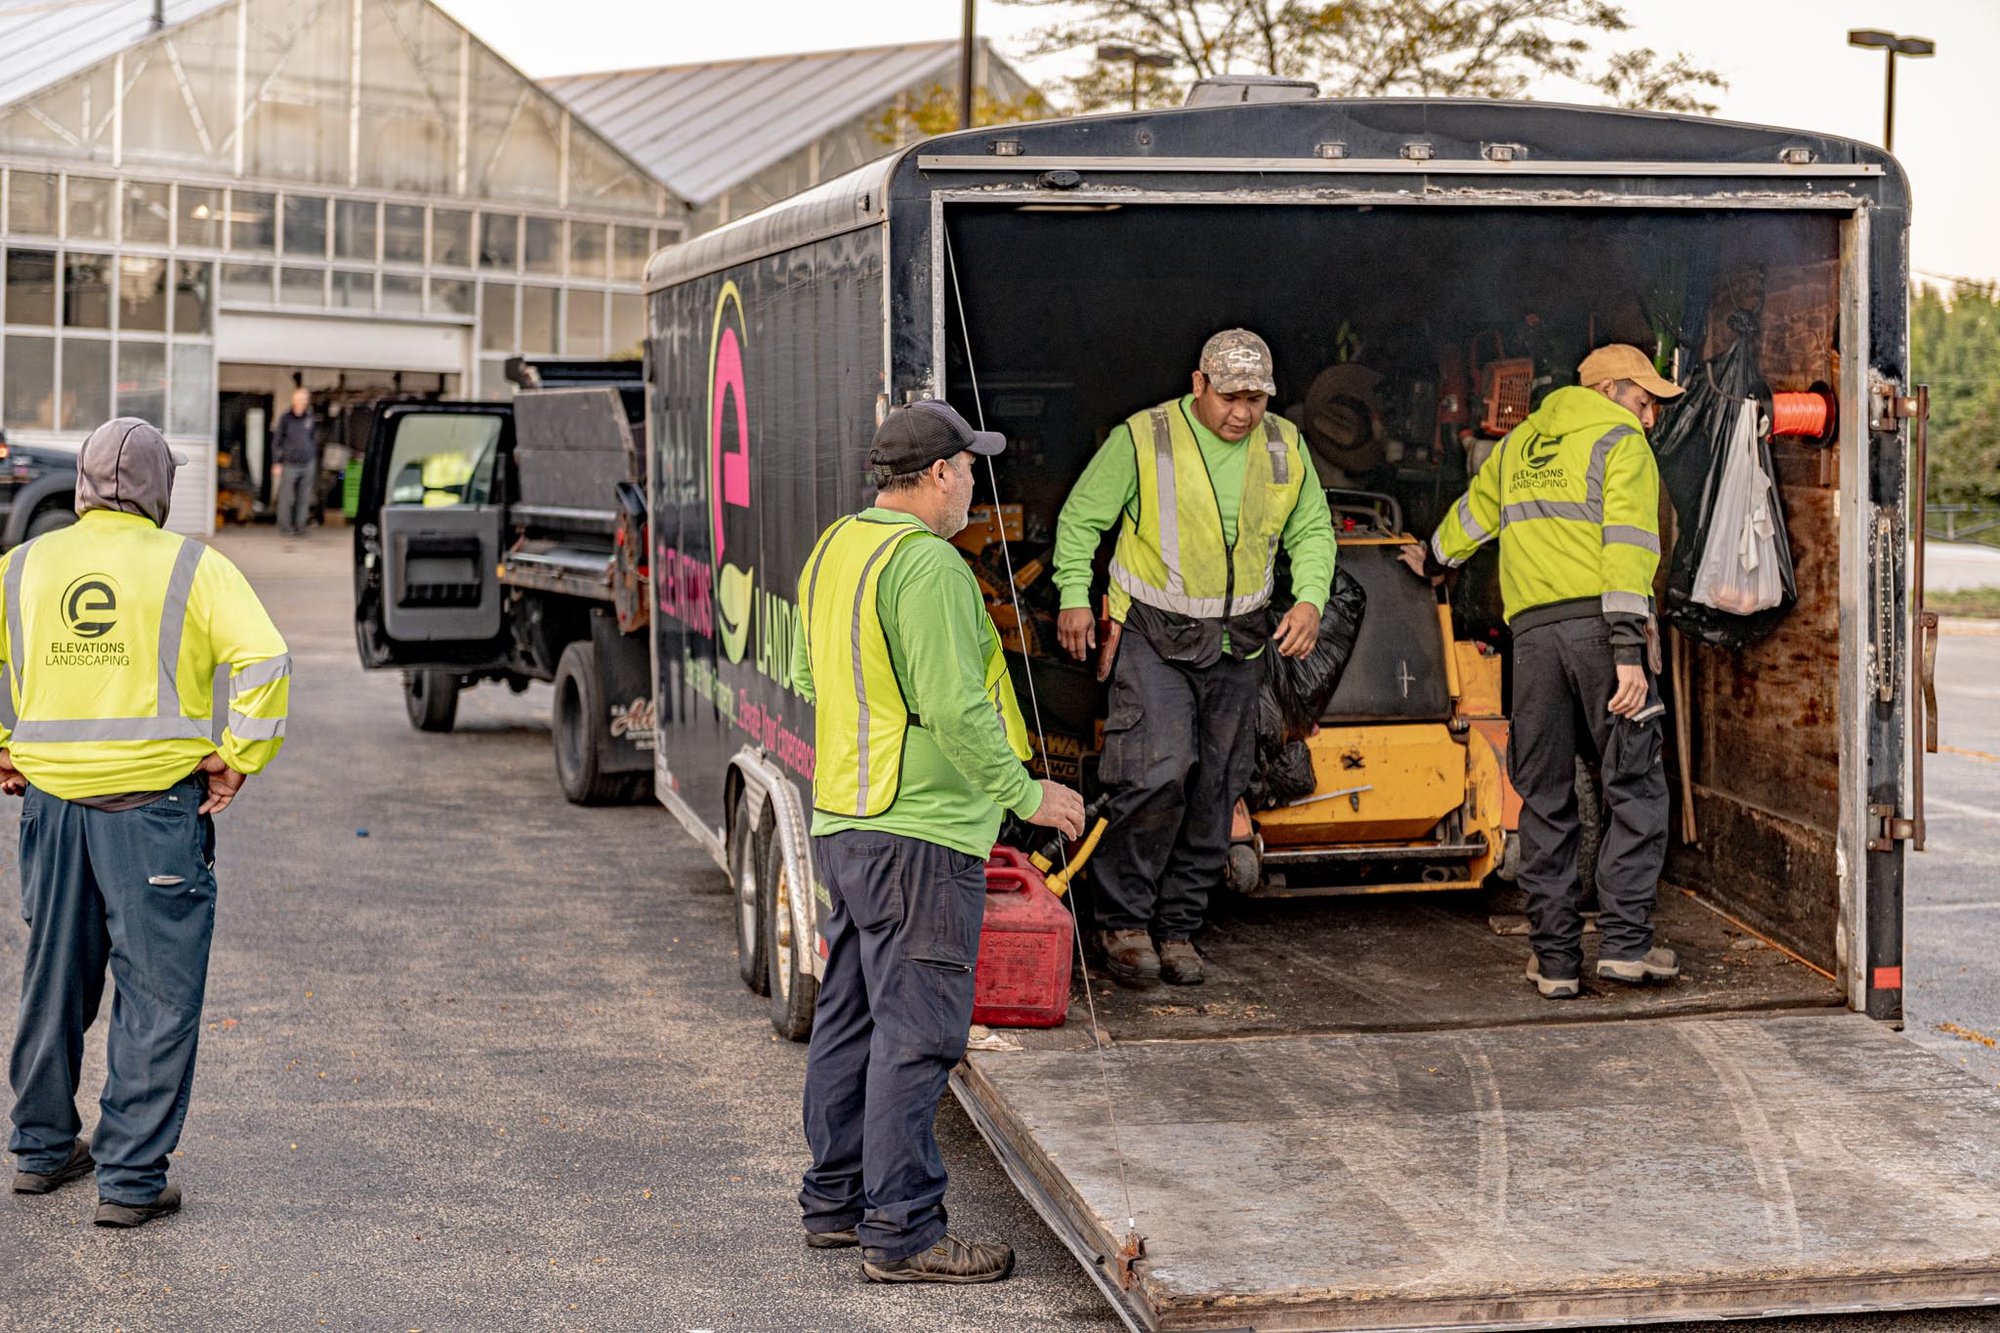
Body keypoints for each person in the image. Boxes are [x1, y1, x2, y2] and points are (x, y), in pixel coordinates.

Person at [790, 400, 1085, 1284]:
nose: (973, 484)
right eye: (967, 468)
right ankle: (905, 1230)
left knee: (849, 1018)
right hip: (918, 834)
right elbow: (956, 707)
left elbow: (811, 675)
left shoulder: (839, 547)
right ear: (937, 475)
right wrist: (1027, 793)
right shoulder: (929, 569)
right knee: (918, 1032)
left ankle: (836, 1205)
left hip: (848, 819)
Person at [3, 418, 290, 1226]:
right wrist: (240, 755)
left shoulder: (26, 563)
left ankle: (41, 1149)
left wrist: (4, 743)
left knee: (53, 978)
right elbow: (265, 660)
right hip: (154, 815)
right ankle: (129, 1181)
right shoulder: (195, 567)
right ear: (161, 490)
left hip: (52, 810)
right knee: (157, 995)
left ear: (86, 485)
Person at [1053, 329, 1336, 987]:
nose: (1243, 412)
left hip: (1239, 640)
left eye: (1257, 398)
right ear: (1199, 385)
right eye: (1232, 396)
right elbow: (1080, 521)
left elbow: (1313, 529)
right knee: (1157, 771)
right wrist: (1074, 593)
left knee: (1217, 786)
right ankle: (1123, 923)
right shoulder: (1143, 438)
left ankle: (1178, 928)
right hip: (1154, 637)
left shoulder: (1283, 445)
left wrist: (1311, 600)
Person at [1404, 344, 1683, 999]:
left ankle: (1555, 960)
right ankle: (1624, 946)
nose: (1649, 419)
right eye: (1644, 402)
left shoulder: (1519, 444)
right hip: (1601, 631)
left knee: (1547, 798)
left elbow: (1472, 517)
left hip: (1533, 641)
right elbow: (1629, 548)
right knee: (1635, 784)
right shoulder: (1621, 444)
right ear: (1612, 390)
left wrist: (1435, 558)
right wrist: (1626, 651)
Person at [271, 386, 318, 537]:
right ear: (294, 399)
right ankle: (285, 527)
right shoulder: (286, 418)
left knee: (304, 496)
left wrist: (312, 453)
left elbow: (312, 438)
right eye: (300, 398)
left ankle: (300, 526)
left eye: (305, 398)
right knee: (287, 496)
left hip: (308, 463)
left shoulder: (310, 418)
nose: (303, 401)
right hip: (290, 463)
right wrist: (276, 462)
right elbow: (277, 441)